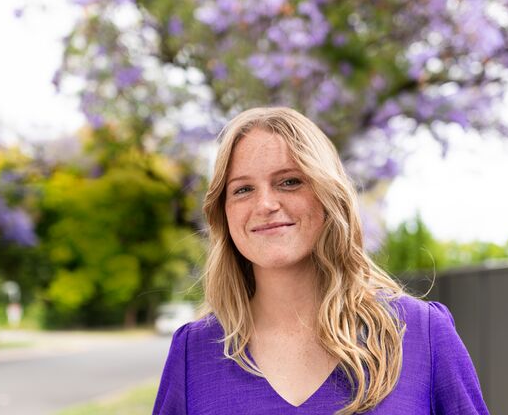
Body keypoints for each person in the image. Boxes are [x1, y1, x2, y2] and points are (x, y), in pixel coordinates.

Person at [153, 107, 489, 414]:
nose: (266, 204)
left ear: (329, 197)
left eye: (289, 182)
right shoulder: (192, 352)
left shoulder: (421, 334)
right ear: (223, 213)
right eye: (242, 189)